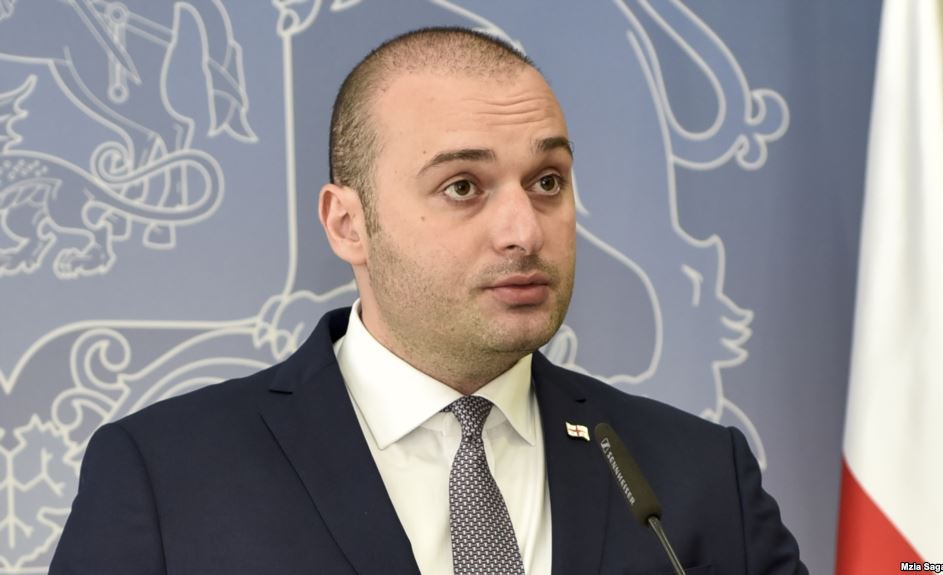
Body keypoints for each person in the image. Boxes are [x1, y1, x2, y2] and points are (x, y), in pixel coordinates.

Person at [50, 27, 807, 574]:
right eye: (462, 187)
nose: (523, 231)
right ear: (348, 224)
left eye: (547, 181)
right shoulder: (166, 472)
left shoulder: (694, 474)